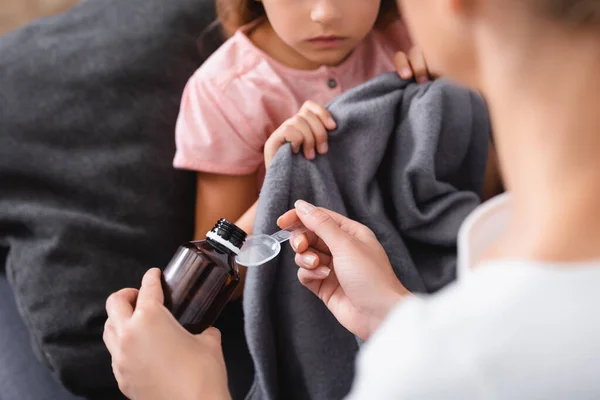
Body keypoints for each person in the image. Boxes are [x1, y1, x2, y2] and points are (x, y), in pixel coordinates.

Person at [104, 0, 600, 397]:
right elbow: (221, 259)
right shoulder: (227, 90)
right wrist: (393, 314)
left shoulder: (445, 366)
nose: (324, 13)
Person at [174, 0, 428, 244]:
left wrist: (451, 73)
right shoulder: (225, 91)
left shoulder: (414, 35)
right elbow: (219, 271)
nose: (324, 14)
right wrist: (281, 182)